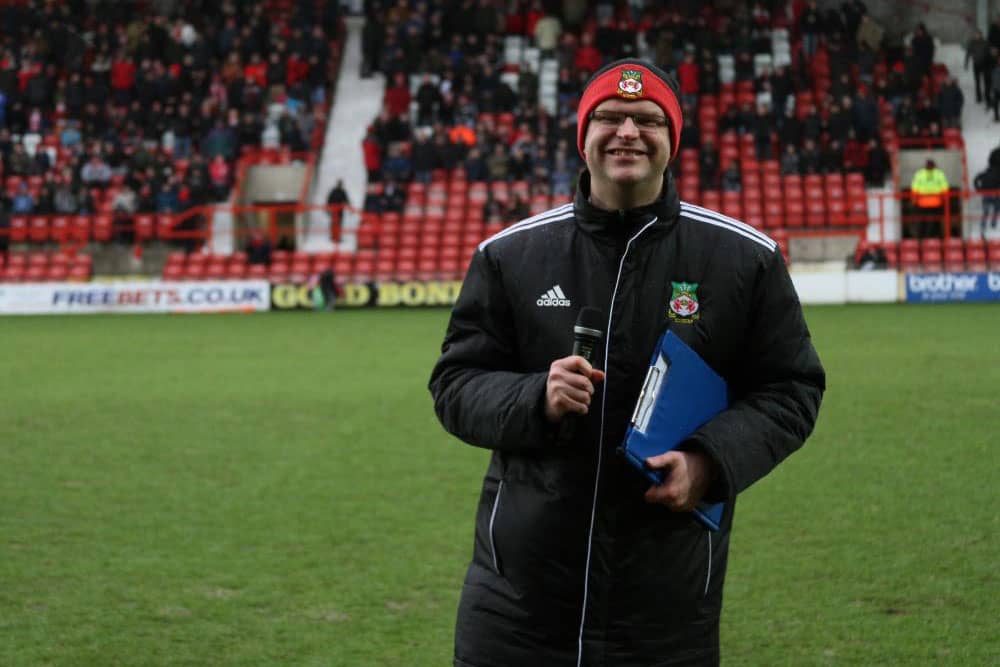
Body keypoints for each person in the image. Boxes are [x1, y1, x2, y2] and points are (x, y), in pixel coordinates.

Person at [428, 59, 826, 667]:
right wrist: (536, 397)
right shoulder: (511, 255)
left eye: (647, 119)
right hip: (517, 606)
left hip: (665, 609)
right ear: (582, 136)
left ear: (673, 140)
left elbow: (791, 388)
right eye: (609, 118)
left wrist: (709, 462)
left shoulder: (744, 259)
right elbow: (456, 383)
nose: (627, 132)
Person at [909, 158, 950, 238]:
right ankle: (937, 237)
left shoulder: (919, 174)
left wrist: (913, 201)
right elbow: (945, 189)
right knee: (936, 221)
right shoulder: (939, 174)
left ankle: (921, 239)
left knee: (922, 221)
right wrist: (945, 200)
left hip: (922, 203)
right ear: (934, 165)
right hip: (936, 203)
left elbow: (914, 189)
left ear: (925, 166)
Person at [973, 163, 1000, 237]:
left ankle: (983, 226)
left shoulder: (984, 174)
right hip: (996, 194)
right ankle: (993, 223)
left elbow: (976, 179)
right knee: (996, 209)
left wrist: (978, 189)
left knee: (986, 212)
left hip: (987, 194)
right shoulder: (997, 174)